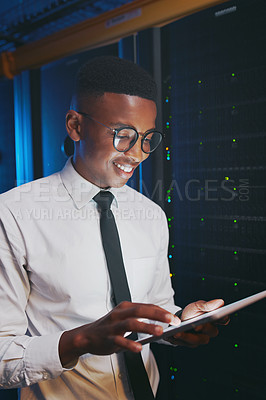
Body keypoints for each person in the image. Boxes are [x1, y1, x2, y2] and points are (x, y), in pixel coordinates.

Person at [0, 56, 225, 399]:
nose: (137, 154)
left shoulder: (150, 215)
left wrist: (179, 324)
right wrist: (81, 340)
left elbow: (157, 314)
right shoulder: (13, 214)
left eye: (148, 138)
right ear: (75, 126)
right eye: (123, 135)